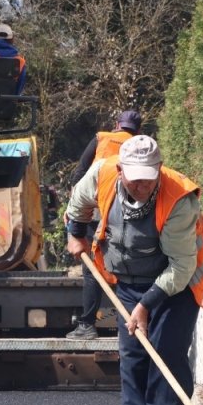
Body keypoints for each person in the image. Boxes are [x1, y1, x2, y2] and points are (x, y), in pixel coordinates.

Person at [64, 135, 203, 405]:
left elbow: (182, 267)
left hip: (176, 284)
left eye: (149, 178)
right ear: (121, 170)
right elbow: (77, 205)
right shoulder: (101, 174)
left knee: (166, 352)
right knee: (133, 356)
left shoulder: (177, 199)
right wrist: (75, 234)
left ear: (159, 170)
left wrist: (146, 305)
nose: (142, 186)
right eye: (135, 178)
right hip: (127, 280)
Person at [66, 109, 143, 340]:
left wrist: (74, 211)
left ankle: (87, 325)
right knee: (128, 267)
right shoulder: (141, 144)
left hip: (95, 212)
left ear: (116, 124)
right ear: (138, 130)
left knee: (92, 269)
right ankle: (132, 325)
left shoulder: (101, 138)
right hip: (130, 216)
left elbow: (79, 174)